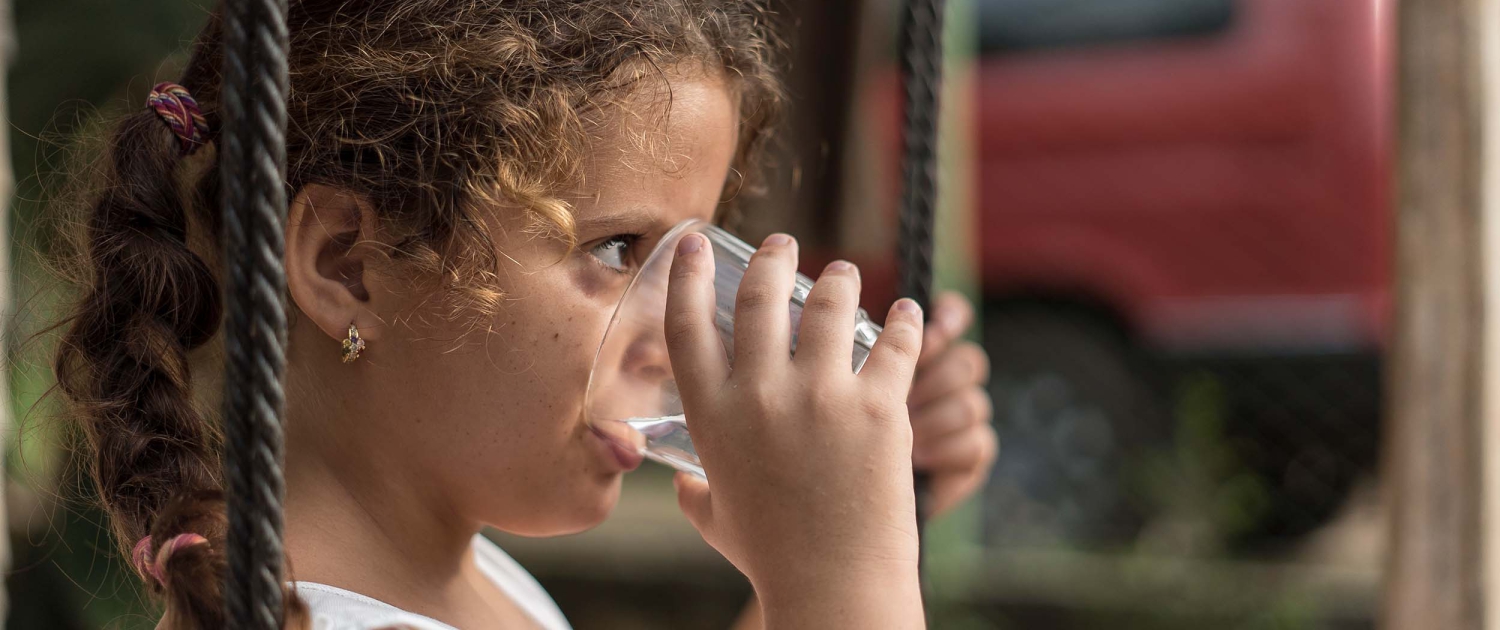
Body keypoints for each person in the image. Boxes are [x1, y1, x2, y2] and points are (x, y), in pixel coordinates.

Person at [49, 1, 997, 628]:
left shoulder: (455, 575)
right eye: (618, 250)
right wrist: (845, 578)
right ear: (348, 265)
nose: (679, 339)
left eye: (694, 255)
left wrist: (837, 539)